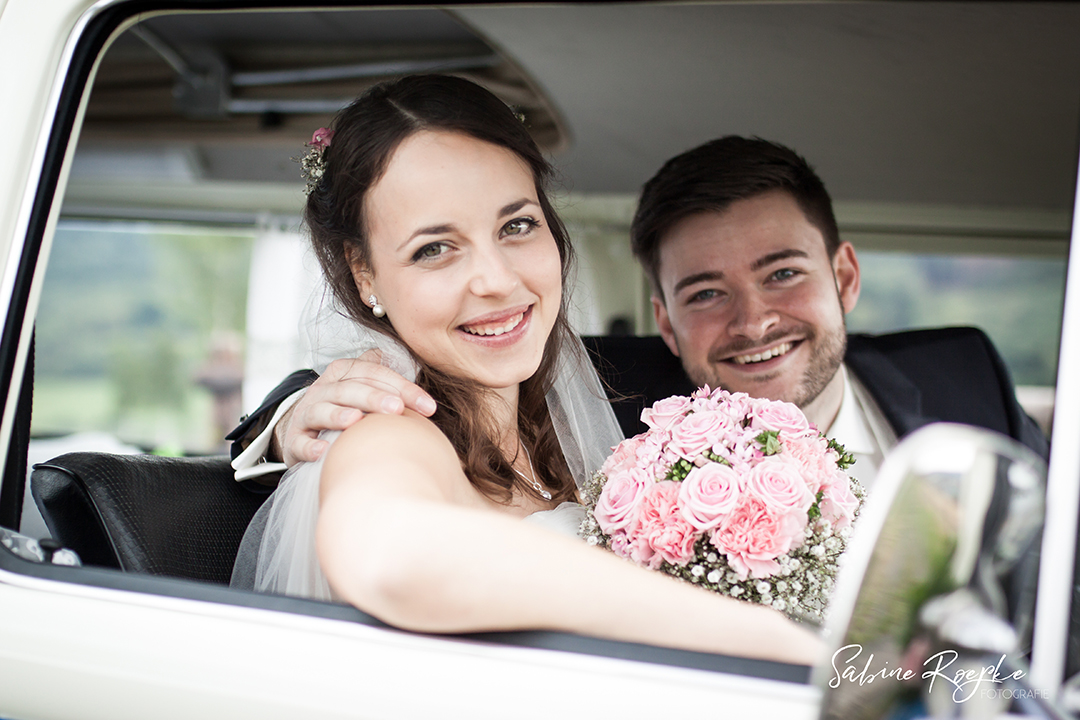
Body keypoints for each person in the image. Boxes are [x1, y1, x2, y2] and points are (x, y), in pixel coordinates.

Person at [231, 74, 820, 664]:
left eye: (517, 226)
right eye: (434, 248)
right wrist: (765, 640)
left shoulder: (568, 437)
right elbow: (389, 556)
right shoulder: (390, 431)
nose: (498, 280)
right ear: (364, 274)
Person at [230, 136, 1048, 492]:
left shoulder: (963, 370)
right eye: (705, 293)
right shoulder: (615, 398)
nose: (754, 320)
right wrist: (294, 413)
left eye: (784, 273)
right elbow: (440, 359)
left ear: (844, 274)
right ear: (663, 321)